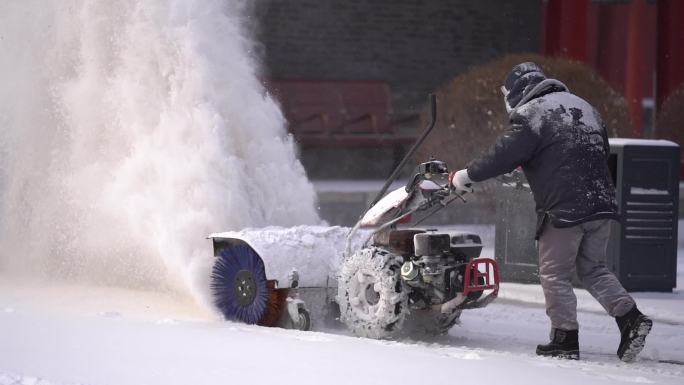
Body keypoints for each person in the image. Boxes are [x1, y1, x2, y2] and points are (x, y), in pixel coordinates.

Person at [450, 62, 652, 362]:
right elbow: (597, 153)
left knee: (554, 274)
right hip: (600, 203)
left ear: (517, 92)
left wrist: (466, 175)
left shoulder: (532, 114)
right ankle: (630, 318)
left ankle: (564, 338)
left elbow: (501, 156)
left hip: (563, 209)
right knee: (593, 269)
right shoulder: (586, 108)